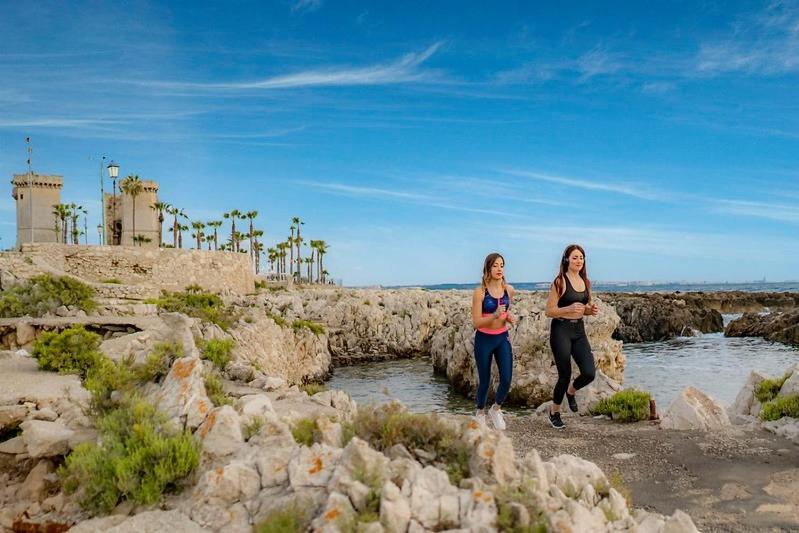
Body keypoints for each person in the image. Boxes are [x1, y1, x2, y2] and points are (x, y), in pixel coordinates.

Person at [545, 244, 599, 429]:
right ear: (567, 259)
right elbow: (549, 311)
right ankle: (554, 412)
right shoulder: (560, 281)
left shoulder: (586, 282)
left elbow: (585, 307)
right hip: (561, 330)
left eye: (581, 258)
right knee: (565, 374)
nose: (579, 261)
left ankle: (571, 391)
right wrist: (567, 308)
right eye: (575, 257)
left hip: (579, 331)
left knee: (589, 373)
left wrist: (589, 311)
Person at [471, 252, 516, 430]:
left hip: (502, 337)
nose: (499, 269)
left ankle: (496, 409)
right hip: (484, 339)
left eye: (501, 265)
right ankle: (480, 413)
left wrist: (507, 317)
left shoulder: (508, 290)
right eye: (495, 265)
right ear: (488, 268)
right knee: (485, 380)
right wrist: (494, 316)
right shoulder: (480, 292)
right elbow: (476, 322)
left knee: (506, 379)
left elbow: (504, 313)